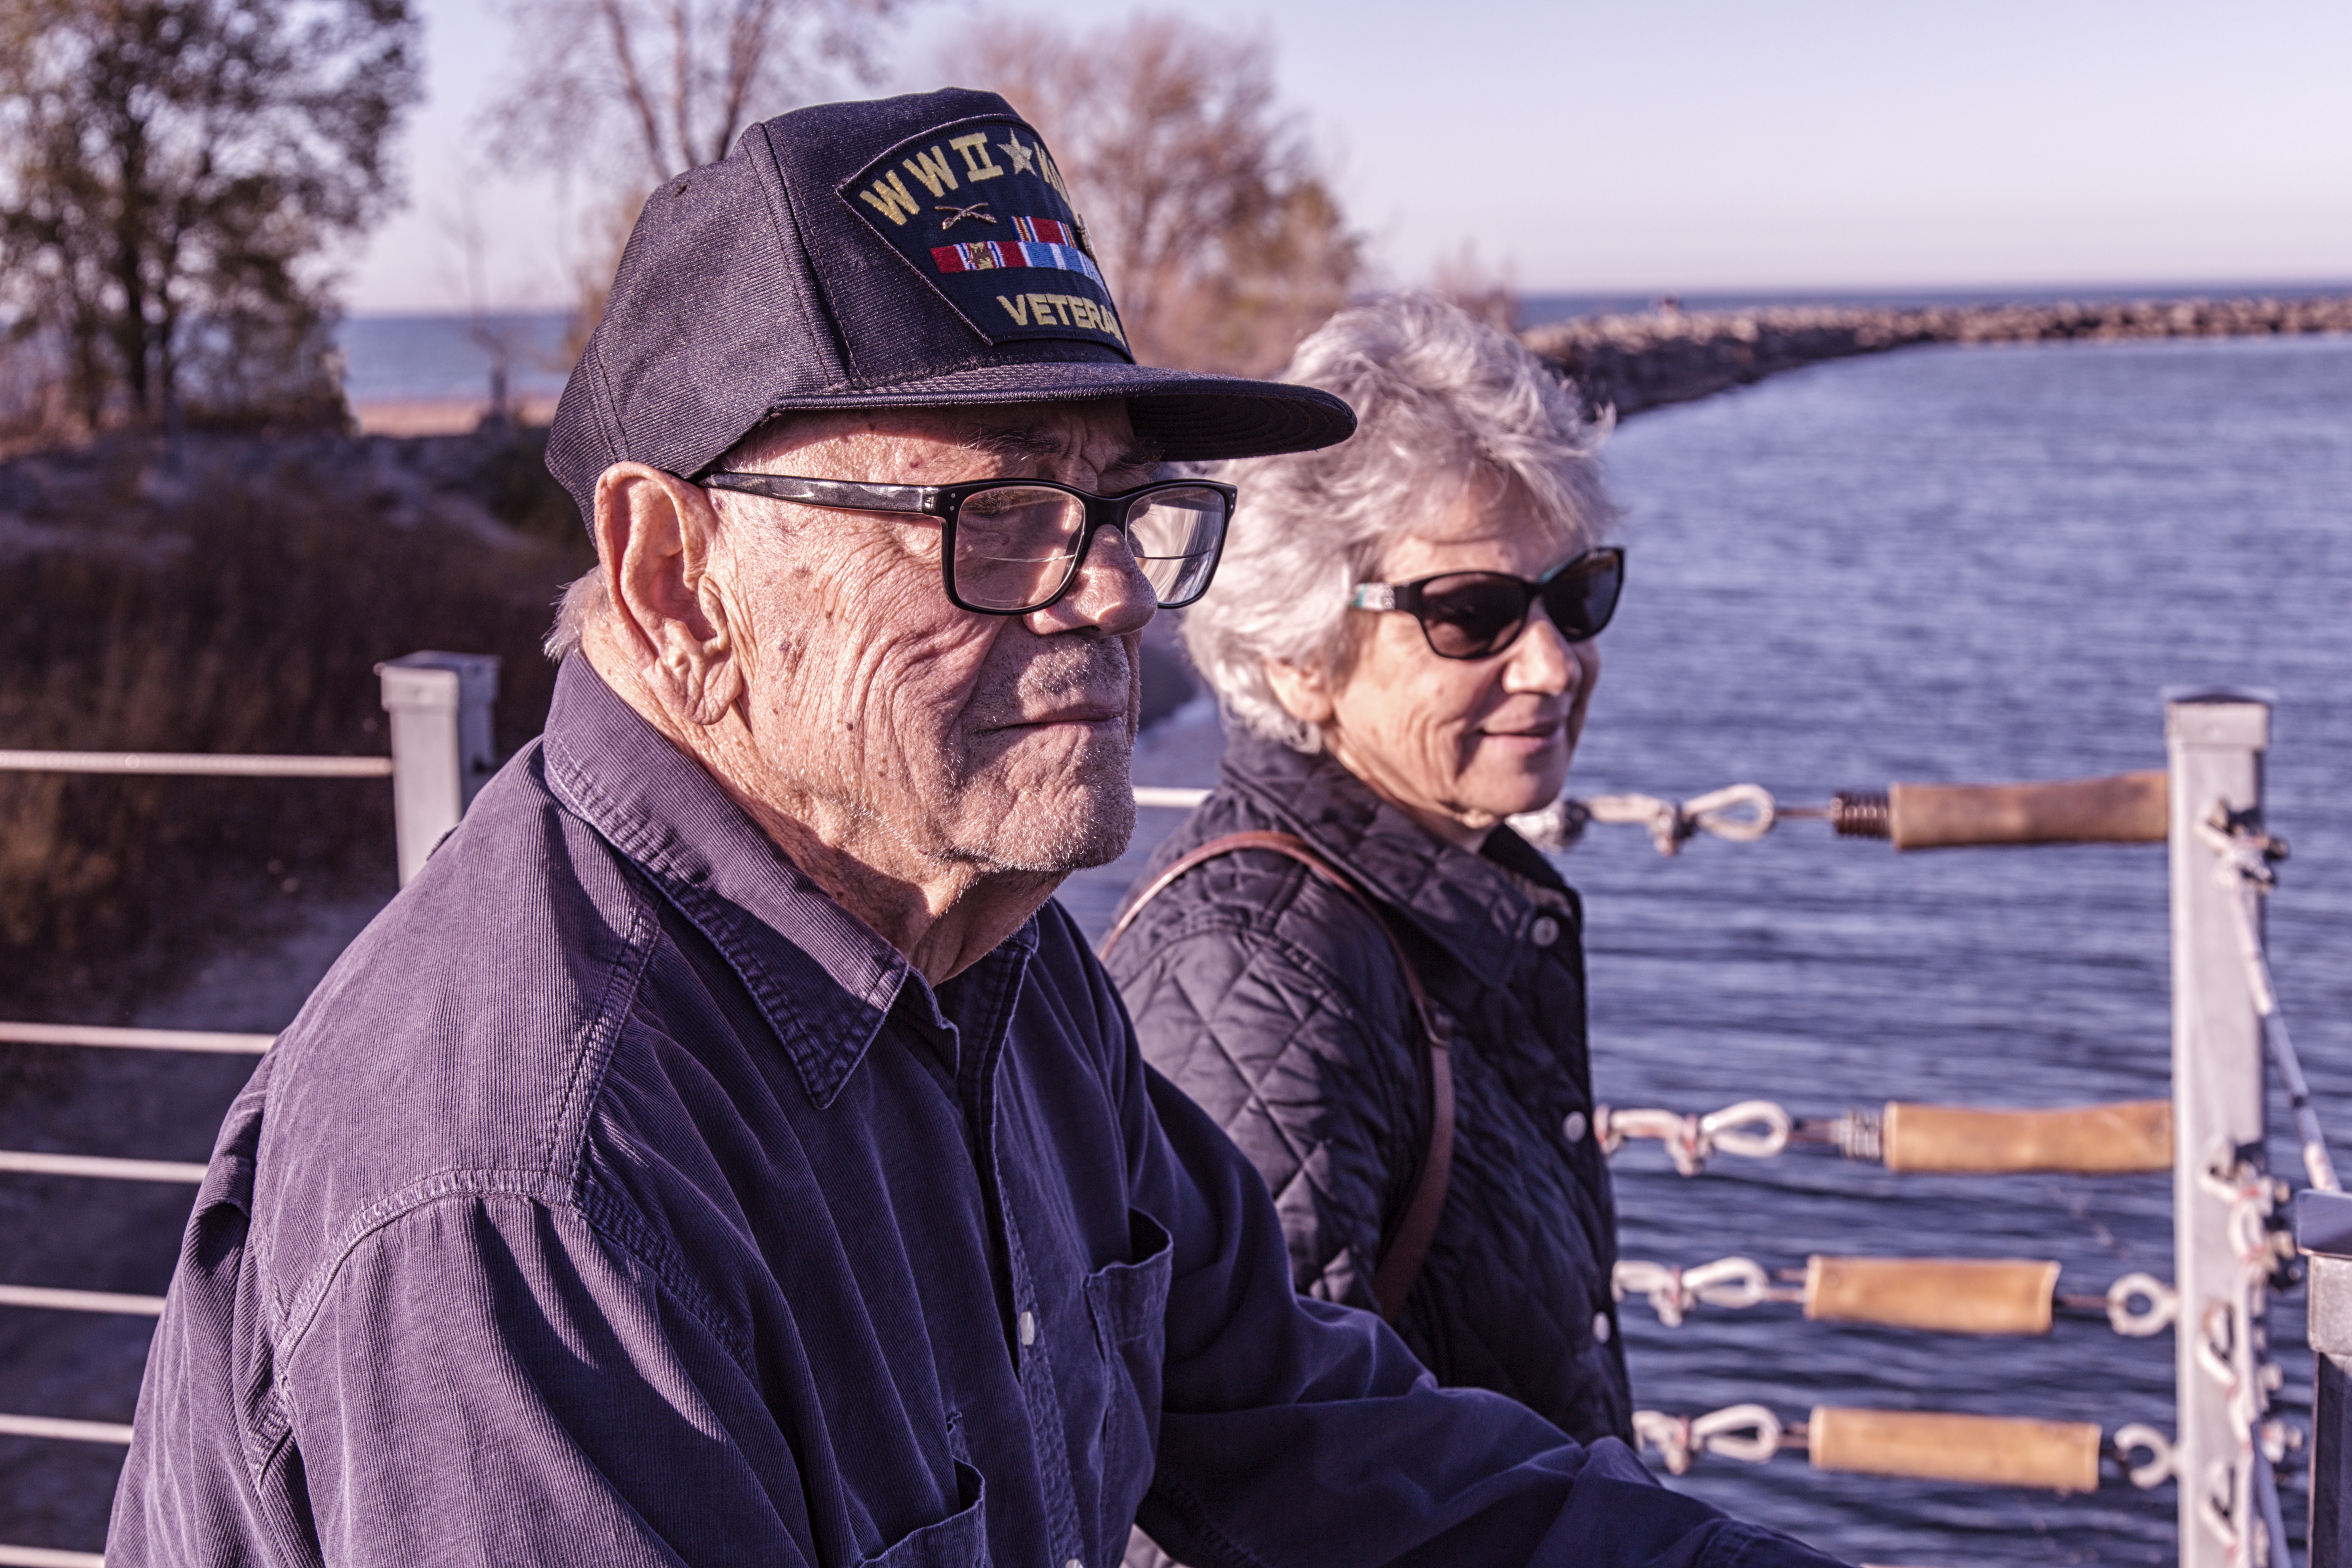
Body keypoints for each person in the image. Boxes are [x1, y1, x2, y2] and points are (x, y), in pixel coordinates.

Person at [107, 91, 1840, 1568]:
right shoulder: (533, 1188)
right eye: (995, 519)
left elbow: (1295, 1413)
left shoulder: (997, 973)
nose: (1105, 594)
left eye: (1119, 510)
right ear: (671, 576)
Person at [1105, 294, 1631, 1445]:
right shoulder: (1256, 981)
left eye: (1577, 593)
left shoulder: (1442, 909)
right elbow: (1250, 1482)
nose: (1554, 664)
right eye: (1473, 614)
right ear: (1299, 660)